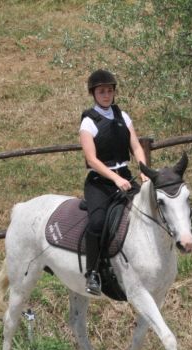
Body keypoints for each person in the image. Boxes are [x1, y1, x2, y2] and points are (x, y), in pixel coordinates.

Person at [79, 68, 148, 296]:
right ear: (94, 94)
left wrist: (143, 169)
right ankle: (93, 274)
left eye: (109, 91)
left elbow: (136, 146)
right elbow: (91, 159)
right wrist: (115, 178)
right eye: (101, 91)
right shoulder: (88, 122)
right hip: (101, 181)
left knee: (148, 208)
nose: (106, 95)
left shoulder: (123, 116)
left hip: (125, 176)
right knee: (97, 222)